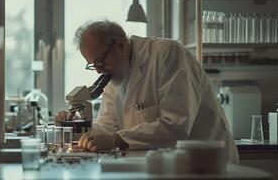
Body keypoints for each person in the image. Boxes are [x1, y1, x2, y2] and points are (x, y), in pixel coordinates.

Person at [70, 20, 239, 163]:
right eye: (93, 65)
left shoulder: (167, 54)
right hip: (163, 163)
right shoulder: (114, 74)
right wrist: (76, 129)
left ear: (121, 45)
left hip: (207, 162)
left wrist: (115, 140)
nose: (99, 71)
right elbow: (108, 124)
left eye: (100, 62)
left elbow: (176, 126)